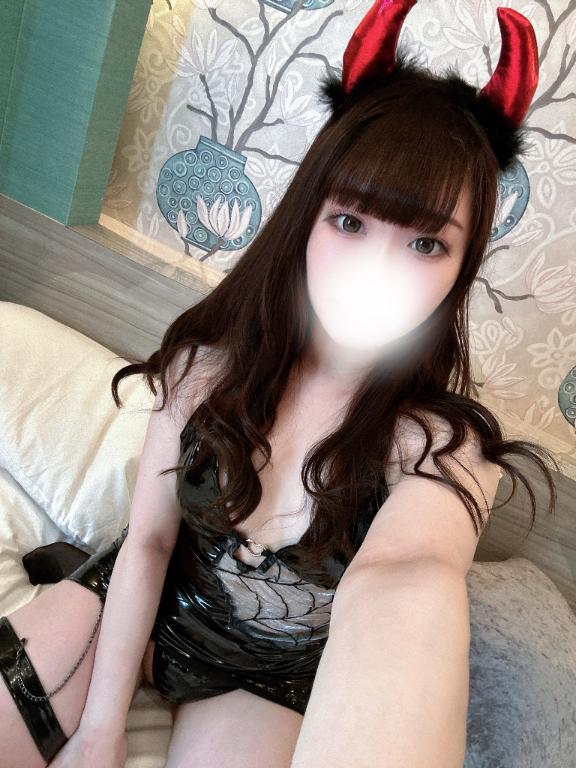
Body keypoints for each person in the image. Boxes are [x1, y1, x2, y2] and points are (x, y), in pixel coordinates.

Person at [0, 1, 559, 766]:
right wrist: (100, 729)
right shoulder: (205, 368)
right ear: (308, 217)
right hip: (136, 605)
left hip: (265, 680)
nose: (377, 269)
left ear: (461, 268)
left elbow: (409, 582)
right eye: (351, 223)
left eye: (427, 243)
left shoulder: (438, 449)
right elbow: (150, 541)